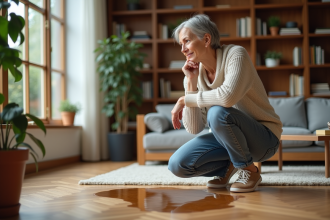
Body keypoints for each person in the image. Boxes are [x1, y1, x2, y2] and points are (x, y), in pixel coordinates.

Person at [167, 14, 283, 193]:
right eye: (181, 44)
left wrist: (185, 100)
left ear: (206, 39)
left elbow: (227, 97)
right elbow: (194, 128)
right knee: (177, 164)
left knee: (217, 113)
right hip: (227, 140)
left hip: (264, 138)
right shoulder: (194, 74)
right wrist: (190, 84)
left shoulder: (236, 55)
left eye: (187, 41)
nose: (183, 49)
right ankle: (229, 168)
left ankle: (249, 171)